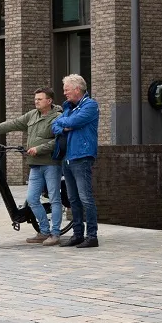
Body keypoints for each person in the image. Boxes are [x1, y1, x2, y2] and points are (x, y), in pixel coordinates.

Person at [0, 88, 62, 245]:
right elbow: (13, 123)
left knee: (54, 198)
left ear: (49, 101)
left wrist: (39, 148)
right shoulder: (32, 115)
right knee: (32, 199)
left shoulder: (58, 118)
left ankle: (56, 233)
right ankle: (44, 231)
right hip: (35, 164)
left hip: (51, 164)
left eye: (40, 99)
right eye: (36, 98)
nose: (36, 101)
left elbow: (59, 141)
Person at [51, 74, 100, 248]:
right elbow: (55, 125)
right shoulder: (68, 107)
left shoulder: (90, 105)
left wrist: (66, 123)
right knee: (73, 199)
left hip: (82, 156)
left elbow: (74, 122)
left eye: (66, 89)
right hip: (67, 157)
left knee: (85, 198)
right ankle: (77, 234)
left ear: (77, 89)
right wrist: (66, 124)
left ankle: (92, 236)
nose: (64, 93)